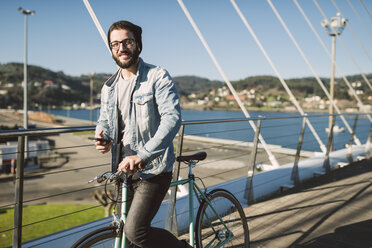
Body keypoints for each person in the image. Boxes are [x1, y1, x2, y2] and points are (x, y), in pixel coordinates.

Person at [94, 20, 190, 248]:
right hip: (122, 170)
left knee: (135, 230)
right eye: (115, 44)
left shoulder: (157, 76)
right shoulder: (108, 87)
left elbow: (172, 118)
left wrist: (143, 154)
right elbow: (104, 121)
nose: (121, 48)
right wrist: (102, 136)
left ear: (138, 44)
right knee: (126, 236)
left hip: (153, 168)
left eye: (127, 41)